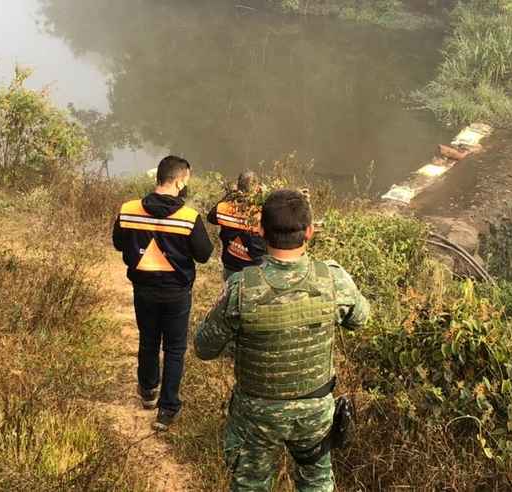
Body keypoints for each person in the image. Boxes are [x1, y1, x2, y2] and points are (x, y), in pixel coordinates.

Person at [194, 189, 370, 491]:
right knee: (315, 483)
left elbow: (204, 348)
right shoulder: (333, 279)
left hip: (256, 415)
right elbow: (360, 319)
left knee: (250, 485)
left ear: (261, 230)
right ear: (310, 232)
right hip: (314, 411)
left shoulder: (240, 287)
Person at [112, 155, 213, 431]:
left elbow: (118, 243)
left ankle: (147, 391)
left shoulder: (129, 209)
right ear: (179, 180)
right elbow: (204, 255)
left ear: (158, 177)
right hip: (176, 293)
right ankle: (167, 409)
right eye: (186, 181)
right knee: (175, 349)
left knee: (148, 340)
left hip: (143, 289)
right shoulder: (188, 218)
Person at [207, 171, 267, 280]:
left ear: (238, 187)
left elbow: (211, 217)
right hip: (255, 268)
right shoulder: (263, 212)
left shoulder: (225, 208)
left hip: (231, 265)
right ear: (257, 188)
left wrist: (229, 195)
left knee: (230, 293)